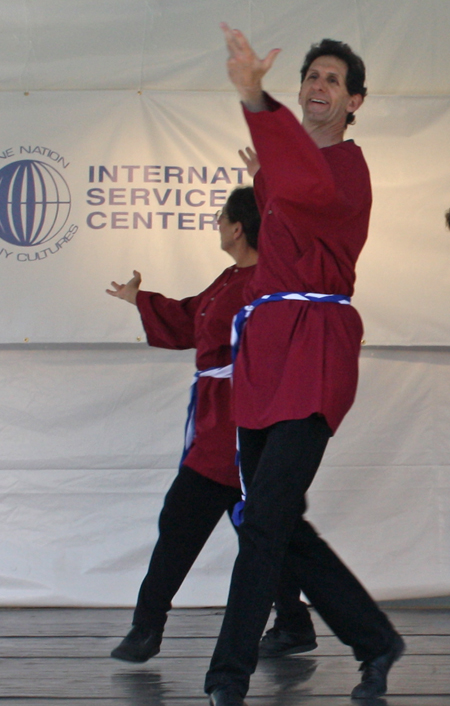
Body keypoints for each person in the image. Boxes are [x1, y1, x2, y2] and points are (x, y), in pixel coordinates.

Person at [204, 27, 405, 706]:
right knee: (269, 515)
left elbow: (311, 191)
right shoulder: (279, 174)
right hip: (265, 350)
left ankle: (226, 676)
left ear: (354, 103)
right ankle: (375, 639)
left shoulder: (348, 168)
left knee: (263, 518)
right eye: (309, 78)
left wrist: (257, 103)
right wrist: (265, 168)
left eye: (331, 81)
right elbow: (285, 195)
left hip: (314, 345)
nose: (316, 87)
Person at [106, 186, 315, 663]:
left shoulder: (262, 282)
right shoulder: (232, 277)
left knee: (186, 515)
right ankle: (293, 622)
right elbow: (189, 321)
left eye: (221, 218)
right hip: (221, 416)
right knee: (259, 528)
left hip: (239, 422)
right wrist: (141, 300)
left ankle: (147, 627)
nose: (217, 224)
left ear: (238, 228)